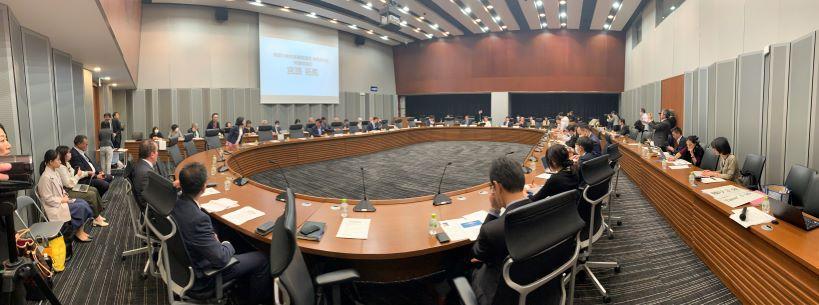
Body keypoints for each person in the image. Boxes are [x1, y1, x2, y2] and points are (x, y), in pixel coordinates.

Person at [172, 162, 272, 305]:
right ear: (204, 187)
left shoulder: (174, 202)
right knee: (262, 259)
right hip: (204, 276)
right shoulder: (198, 219)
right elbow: (221, 259)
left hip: (182, 265)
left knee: (220, 227)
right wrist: (225, 244)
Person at [470, 157, 532, 305]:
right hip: (540, 288)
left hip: (500, 296)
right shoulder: (544, 210)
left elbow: (477, 252)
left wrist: (494, 210)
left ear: (497, 187)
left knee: (467, 268)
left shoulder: (492, 230)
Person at [37, 149, 94, 242]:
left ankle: (80, 230)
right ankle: (78, 232)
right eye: (58, 160)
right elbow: (47, 199)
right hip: (54, 206)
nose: (60, 161)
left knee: (83, 202)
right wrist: (62, 200)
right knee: (80, 206)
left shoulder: (54, 172)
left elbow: (60, 188)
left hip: (62, 200)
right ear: (51, 162)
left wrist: (64, 194)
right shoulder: (45, 178)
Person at [55, 146, 107, 227]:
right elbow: (69, 184)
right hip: (68, 191)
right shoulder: (61, 168)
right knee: (91, 195)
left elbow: (77, 174)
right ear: (64, 155)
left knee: (94, 190)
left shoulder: (67, 164)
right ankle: (96, 218)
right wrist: (78, 176)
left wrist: (87, 173)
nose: (70, 154)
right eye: (68, 153)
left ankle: (97, 215)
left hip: (73, 187)